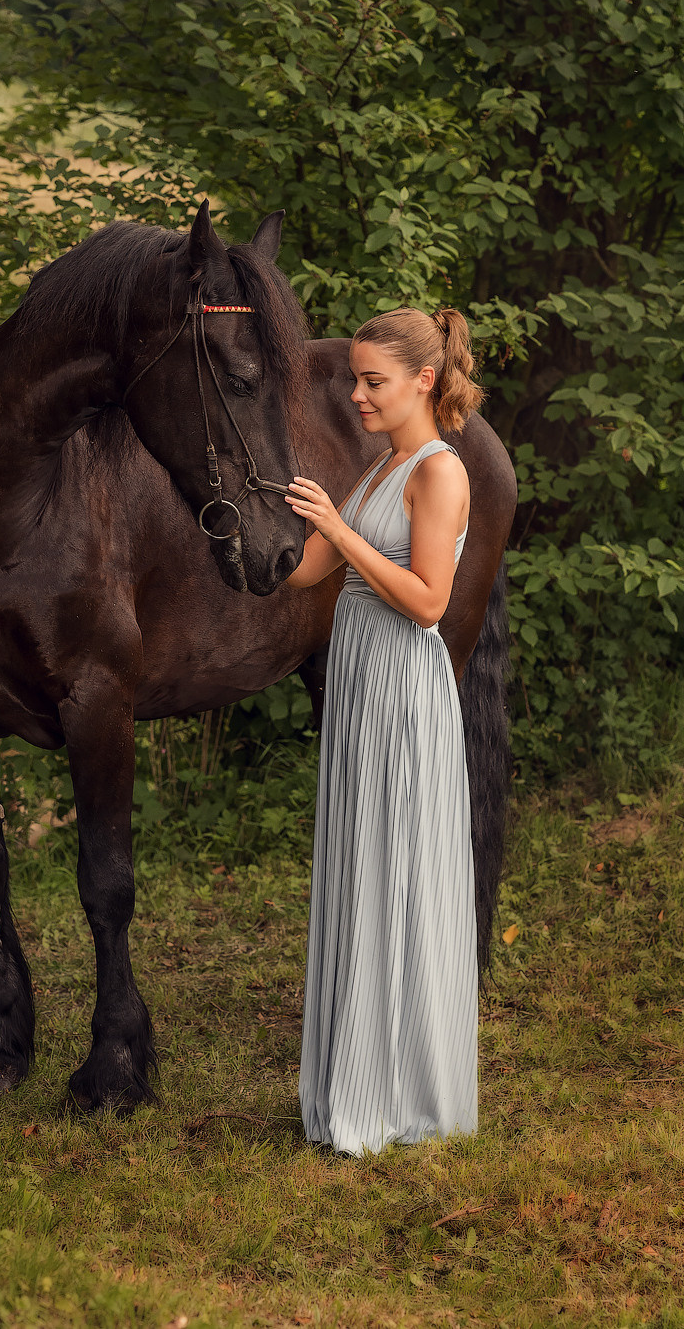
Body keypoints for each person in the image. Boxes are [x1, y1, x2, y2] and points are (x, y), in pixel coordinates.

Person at [285, 305, 483, 1156]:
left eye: (373, 382)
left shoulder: (438, 474)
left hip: (403, 683)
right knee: (360, 861)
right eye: (356, 381)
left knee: (400, 865)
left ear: (422, 382)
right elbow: (301, 575)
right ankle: (353, 1081)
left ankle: (403, 1098)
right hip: (360, 678)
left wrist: (338, 529)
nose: (358, 396)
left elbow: (430, 603)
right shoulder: (379, 468)